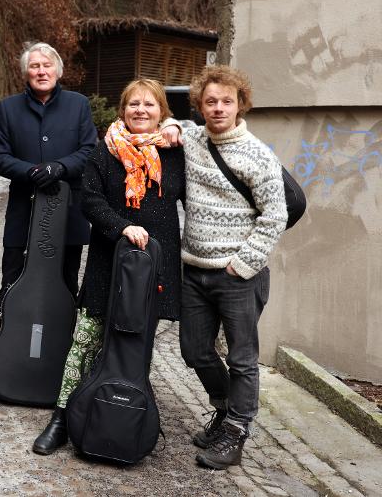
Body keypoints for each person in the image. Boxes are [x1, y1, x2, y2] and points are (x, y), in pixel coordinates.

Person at [32, 79, 185, 455]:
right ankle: (61, 419)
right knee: (84, 344)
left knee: (135, 349)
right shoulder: (106, 151)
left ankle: (122, 421)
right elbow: (90, 199)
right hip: (107, 264)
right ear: (123, 109)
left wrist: (178, 128)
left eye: (149, 104)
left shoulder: (175, 152)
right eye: (133, 104)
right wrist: (122, 226)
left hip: (153, 269)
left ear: (162, 112)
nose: (141, 110)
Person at [162, 65, 287, 469]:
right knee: (194, 350)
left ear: (240, 105)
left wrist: (244, 263)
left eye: (226, 101)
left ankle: (235, 430)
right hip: (195, 271)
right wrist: (171, 126)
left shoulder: (258, 155)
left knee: (242, 359)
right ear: (200, 105)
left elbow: (275, 215)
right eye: (210, 101)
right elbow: (172, 125)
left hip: (238, 276)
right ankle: (224, 407)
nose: (218, 108)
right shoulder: (194, 139)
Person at [0, 42, 97, 315]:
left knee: (65, 283)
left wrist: (60, 167)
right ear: (25, 73)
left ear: (58, 71)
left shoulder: (78, 105)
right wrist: (30, 171)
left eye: (47, 65)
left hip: (67, 211)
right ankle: (12, 336)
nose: (41, 71)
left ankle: (60, 339)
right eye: (34, 66)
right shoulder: (8, 108)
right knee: (13, 282)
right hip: (22, 212)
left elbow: (89, 150)